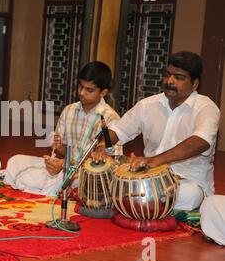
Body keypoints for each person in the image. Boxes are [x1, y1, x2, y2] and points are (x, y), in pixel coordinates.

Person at [93, 51, 220, 211]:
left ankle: (137, 203)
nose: (170, 81)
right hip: (147, 177)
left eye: (179, 77)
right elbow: (119, 130)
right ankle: (145, 204)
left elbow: (200, 142)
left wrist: (154, 160)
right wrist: (103, 145)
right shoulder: (147, 105)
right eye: (167, 75)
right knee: (107, 176)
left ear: (194, 84)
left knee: (190, 195)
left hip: (186, 181)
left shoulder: (206, 108)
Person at [4, 61, 122, 196]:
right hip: (63, 167)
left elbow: (111, 164)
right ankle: (42, 187)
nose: (82, 93)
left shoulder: (111, 118)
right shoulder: (69, 110)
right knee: (16, 161)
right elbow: (62, 151)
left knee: (59, 179)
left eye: (89, 90)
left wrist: (66, 167)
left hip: (87, 175)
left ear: (104, 92)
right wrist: (57, 151)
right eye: (80, 86)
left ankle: (43, 190)